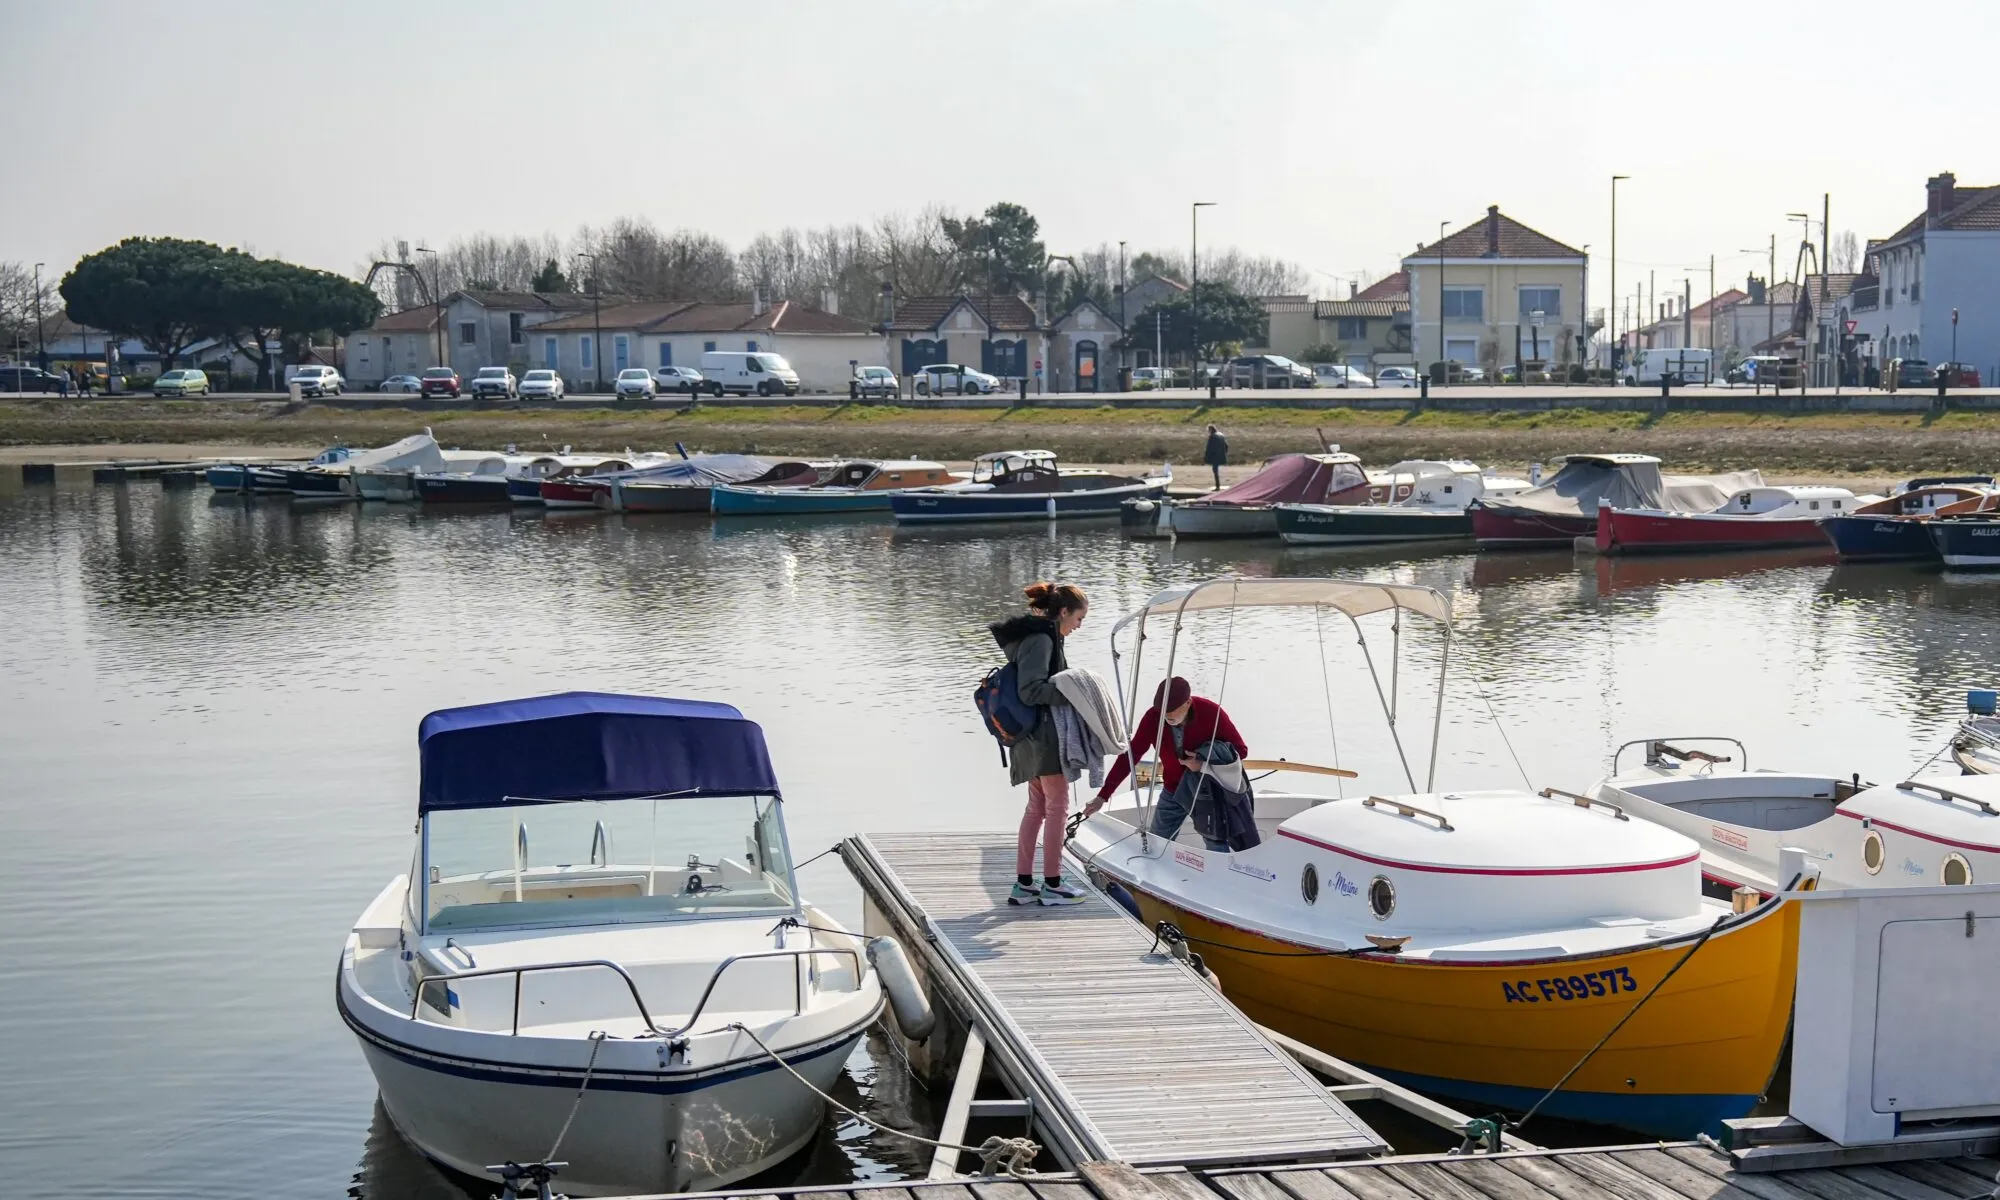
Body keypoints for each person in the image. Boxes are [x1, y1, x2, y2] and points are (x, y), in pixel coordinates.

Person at [990, 581, 1091, 906]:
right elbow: (1030, 690)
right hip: (1043, 738)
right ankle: (1052, 884)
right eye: (1079, 618)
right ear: (1063, 612)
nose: (1079, 625)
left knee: (1037, 808)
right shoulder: (1041, 640)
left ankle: (1024, 885)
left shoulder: (1041, 638)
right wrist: (1074, 693)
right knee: (1057, 809)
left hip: (1030, 737)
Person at [1086, 676, 1248, 849]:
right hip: (1173, 788)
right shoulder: (1154, 717)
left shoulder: (1211, 712)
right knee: (1157, 841)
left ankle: (1220, 873)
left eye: (1173, 710)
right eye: (1164, 711)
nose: (1168, 715)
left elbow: (1241, 750)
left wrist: (1202, 761)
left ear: (1188, 703)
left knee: (1215, 841)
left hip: (1206, 790)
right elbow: (1130, 756)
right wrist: (1103, 795)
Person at [1203, 423, 1228, 490]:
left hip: (1215, 456)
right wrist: (1224, 453)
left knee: (1215, 471)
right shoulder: (1221, 435)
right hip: (1221, 456)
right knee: (1216, 470)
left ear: (1211, 429)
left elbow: (1209, 448)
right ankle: (1218, 485)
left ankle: (1217, 486)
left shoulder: (1212, 436)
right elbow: (1226, 446)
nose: (1208, 431)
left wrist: (1206, 458)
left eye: (1208, 430)